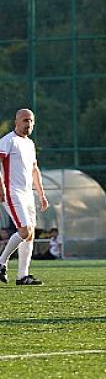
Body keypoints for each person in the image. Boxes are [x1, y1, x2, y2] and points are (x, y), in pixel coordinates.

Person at [0, 109, 49, 285]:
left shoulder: (29, 144)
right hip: (12, 192)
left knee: (30, 235)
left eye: (31, 121)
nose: (28, 124)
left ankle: (22, 276)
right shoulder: (8, 141)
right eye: (25, 120)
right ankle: (1, 261)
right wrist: (1, 187)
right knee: (24, 231)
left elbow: (34, 169)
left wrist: (41, 194)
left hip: (28, 194)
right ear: (17, 121)